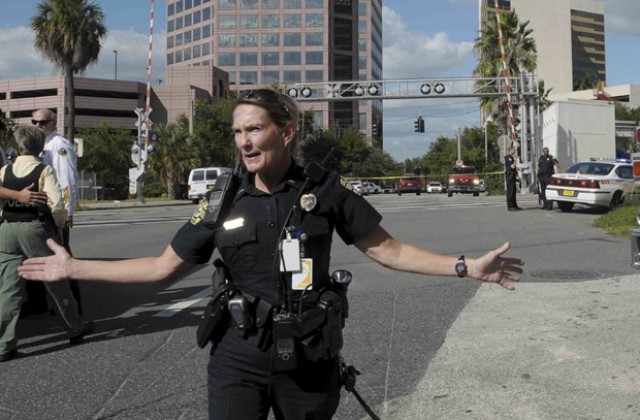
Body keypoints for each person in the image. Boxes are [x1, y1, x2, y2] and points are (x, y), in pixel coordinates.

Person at [18, 89, 524, 419]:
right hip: (237, 353)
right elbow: (160, 267)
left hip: (308, 353)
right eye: (238, 132)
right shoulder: (220, 199)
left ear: (286, 132)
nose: (244, 141)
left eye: (254, 129)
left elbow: (388, 251)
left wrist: (465, 266)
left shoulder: (327, 192)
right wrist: (73, 267)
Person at [0, 125, 93, 362]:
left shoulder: (5, 171)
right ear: (40, 148)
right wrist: (61, 226)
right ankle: (74, 326)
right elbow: (57, 204)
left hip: (7, 229)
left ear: (19, 147)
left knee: (9, 289)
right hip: (35, 228)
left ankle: (4, 345)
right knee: (55, 281)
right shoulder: (44, 170)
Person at [25, 109, 82, 316]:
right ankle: (39, 303)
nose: (38, 125)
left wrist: (66, 212)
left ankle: (74, 306)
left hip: (55, 211)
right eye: (34, 122)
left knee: (62, 258)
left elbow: (67, 183)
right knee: (37, 258)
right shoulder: (42, 145)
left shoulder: (59, 146)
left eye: (42, 122)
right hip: (41, 210)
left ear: (53, 122)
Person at [504, 145, 521, 211]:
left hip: (513, 175)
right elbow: (512, 167)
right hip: (510, 176)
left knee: (514, 191)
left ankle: (514, 206)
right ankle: (510, 206)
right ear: (510, 150)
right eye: (513, 150)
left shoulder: (512, 157)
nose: (514, 151)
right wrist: (515, 161)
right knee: (510, 191)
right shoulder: (508, 158)